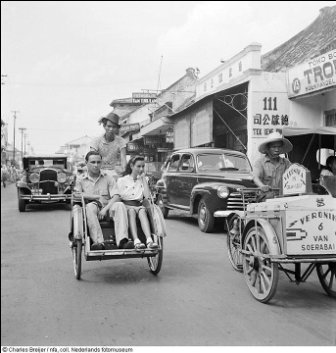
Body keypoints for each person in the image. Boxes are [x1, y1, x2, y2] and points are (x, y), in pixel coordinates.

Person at [73, 151, 133, 251]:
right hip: (93, 208)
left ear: (101, 163)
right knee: (90, 207)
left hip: (108, 207)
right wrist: (95, 197)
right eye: (93, 162)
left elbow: (116, 196)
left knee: (119, 205)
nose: (96, 165)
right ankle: (99, 242)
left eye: (98, 162)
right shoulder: (80, 180)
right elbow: (76, 195)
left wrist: (105, 209)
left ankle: (123, 241)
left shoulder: (108, 178)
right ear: (86, 162)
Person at [117, 155, 158, 251]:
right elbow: (118, 196)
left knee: (142, 211)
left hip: (139, 205)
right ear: (132, 166)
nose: (141, 169)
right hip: (126, 205)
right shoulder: (122, 180)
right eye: (138, 166)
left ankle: (149, 240)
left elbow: (147, 196)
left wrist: (143, 179)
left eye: (143, 166)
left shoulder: (144, 180)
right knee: (131, 212)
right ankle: (136, 240)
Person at [253, 131, 292, 199]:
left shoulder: (286, 163)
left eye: (279, 147)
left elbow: (293, 175)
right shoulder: (260, 162)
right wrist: (262, 186)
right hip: (265, 198)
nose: (277, 150)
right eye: (273, 147)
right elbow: (255, 177)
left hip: (283, 198)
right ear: (268, 148)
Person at [90, 112, 127, 180]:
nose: (111, 129)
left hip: (114, 173)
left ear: (117, 128)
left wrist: (123, 170)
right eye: (109, 126)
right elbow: (92, 159)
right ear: (104, 126)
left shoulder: (121, 141)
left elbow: (123, 159)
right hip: (99, 172)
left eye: (114, 127)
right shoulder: (96, 141)